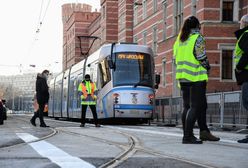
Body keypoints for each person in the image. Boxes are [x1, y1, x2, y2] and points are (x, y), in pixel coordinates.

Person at [173, 16, 220, 144]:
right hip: (196, 77)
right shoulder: (197, 38)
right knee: (195, 106)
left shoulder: (180, 40)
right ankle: (188, 137)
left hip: (183, 78)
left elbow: (174, 58)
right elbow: (201, 56)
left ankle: (193, 133)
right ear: (198, 26)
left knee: (187, 107)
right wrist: (208, 66)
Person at [234, 14, 248, 143]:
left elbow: (247, 53)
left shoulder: (246, 34)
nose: (239, 24)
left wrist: (239, 67)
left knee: (247, 103)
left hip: (247, 75)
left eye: (241, 22)